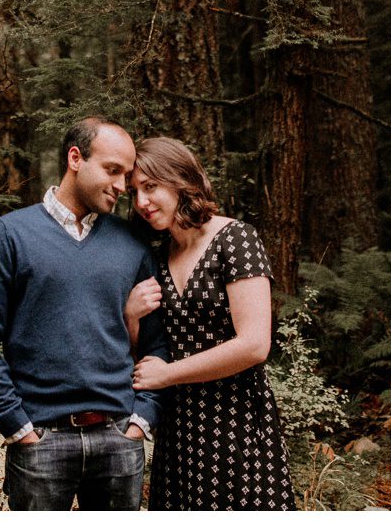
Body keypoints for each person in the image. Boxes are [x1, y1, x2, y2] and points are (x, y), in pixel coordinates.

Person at [0, 116, 166, 510]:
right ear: (76, 158)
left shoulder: (132, 243)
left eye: (126, 175)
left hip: (119, 438)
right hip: (40, 439)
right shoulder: (10, 235)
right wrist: (17, 426)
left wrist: (141, 421)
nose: (122, 187)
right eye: (112, 170)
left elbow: (157, 341)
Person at [126, 136, 295, 509]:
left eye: (151, 187)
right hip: (179, 428)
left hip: (237, 421)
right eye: (134, 191)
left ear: (180, 179)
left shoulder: (237, 240)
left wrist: (169, 374)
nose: (141, 202)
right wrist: (131, 315)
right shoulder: (157, 253)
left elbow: (254, 345)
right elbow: (144, 353)